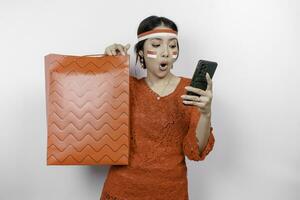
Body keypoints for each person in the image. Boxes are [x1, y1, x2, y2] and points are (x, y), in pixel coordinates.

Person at [100, 15, 215, 200]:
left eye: (172, 45)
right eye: (156, 44)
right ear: (141, 53)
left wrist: (206, 113)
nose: (166, 52)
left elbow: (196, 151)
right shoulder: (125, 87)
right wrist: (108, 64)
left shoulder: (191, 90)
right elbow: (94, 108)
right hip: (121, 190)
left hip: (171, 192)